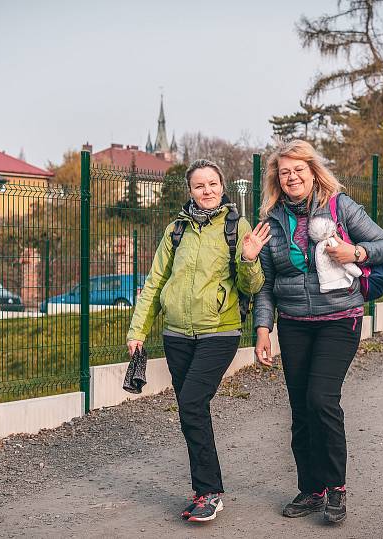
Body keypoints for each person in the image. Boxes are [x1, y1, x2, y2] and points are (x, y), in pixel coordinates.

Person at [252, 140, 383, 524]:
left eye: (299, 169)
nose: (292, 177)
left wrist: (356, 254)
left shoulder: (341, 207)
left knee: (321, 399)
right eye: (285, 172)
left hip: (339, 318)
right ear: (276, 179)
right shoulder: (271, 220)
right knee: (300, 408)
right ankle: (311, 489)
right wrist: (263, 329)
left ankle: (336, 487)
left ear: (313, 172)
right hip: (294, 323)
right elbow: (264, 283)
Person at [126, 158, 270, 523]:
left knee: (191, 402)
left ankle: (210, 492)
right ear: (189, 191)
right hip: (176, 334)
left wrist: (251, 259)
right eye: (199, 186)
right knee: (193, 410)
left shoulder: (237, 227)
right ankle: (203, 489)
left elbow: (251, 286)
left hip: (219, 331)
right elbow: (155, 281)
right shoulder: (176, 230)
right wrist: (137, 329)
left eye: (212, 184)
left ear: (222, 187)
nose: (207, 191)